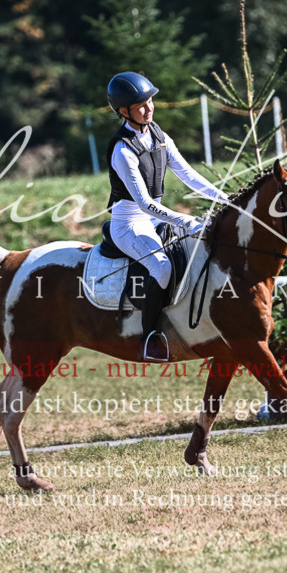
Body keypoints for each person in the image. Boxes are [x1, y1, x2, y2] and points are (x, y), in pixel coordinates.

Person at [105, 71, 229, 361]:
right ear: (124, 112)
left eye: (150, 102)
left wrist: (226, 199)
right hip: (129, 224)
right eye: (140, 106)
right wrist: (185, 221)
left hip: (153, 219)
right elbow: (145, 203)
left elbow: (188, 174)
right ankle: (150, 336)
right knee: (162, 268)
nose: (148, 109)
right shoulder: (122, 150)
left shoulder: (158, 135)